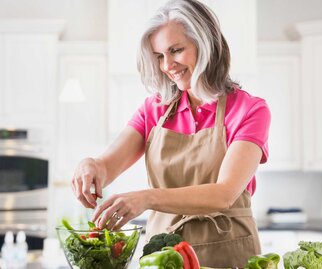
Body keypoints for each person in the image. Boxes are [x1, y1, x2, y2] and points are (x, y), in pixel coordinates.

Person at [71, 0, 271, 267]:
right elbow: (106, 167)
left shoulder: (249, 110)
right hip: (165, 254)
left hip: (230, 251)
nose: (167, 65)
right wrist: (90, 165)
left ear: (206, 44)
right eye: (159, 56)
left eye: (175, 50)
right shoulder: (154, 109)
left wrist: (148, 198)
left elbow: (224, 194)